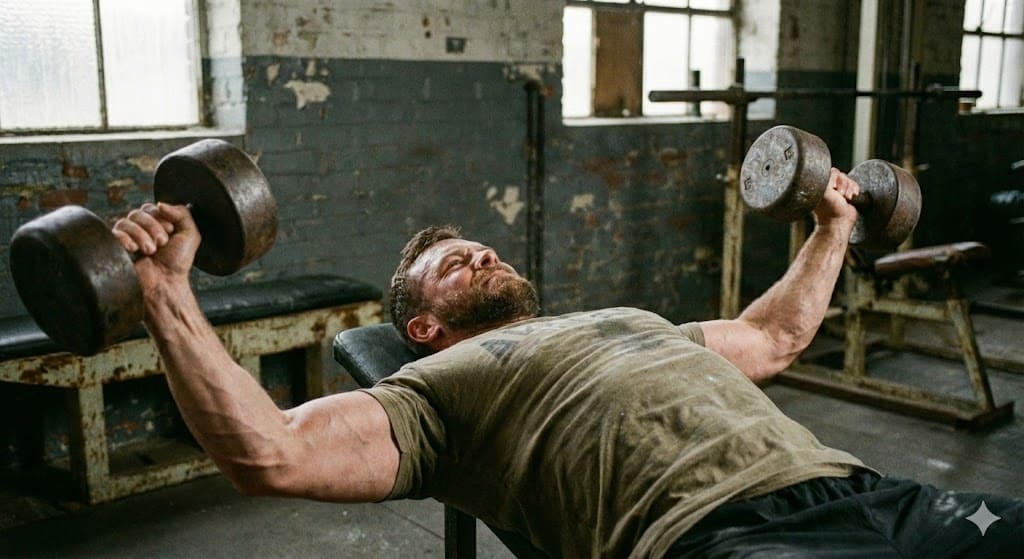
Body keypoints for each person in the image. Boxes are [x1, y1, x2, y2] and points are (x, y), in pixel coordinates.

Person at [113, 169, 1020, 558]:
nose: (484, 257)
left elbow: (774, 336)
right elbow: (269, 450)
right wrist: (163, 290)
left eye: (486, 248)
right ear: (421, 325)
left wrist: (833, 226)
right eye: (454, 263)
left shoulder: (628, 317)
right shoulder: (429, 386)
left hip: (865, 491)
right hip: (721, 539)